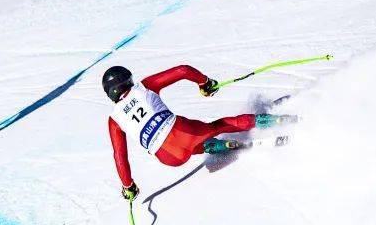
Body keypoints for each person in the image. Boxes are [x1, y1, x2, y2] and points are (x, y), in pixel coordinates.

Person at [103, 64, 293, 200]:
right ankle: (271, 120)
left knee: (192, 147)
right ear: (128, 80)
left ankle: (218, 146)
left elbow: (120, 155)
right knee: (219, 126)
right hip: (184, 132)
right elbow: (183, 70)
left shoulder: (114, 120)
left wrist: (128, 186)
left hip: (169, 158)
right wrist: (205, 83)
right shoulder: (144, 87)